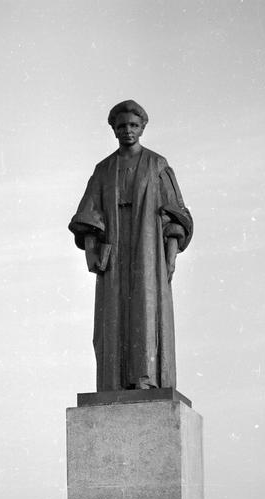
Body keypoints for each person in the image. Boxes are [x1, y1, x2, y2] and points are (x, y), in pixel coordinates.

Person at [69, 100, 193, 392]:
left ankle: (145, 377)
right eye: (122, 126)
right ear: (113, 129)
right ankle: (112, 382)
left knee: (145, 308)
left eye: (133, 126)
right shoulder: (103, 169)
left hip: (147, 246)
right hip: (114, 246)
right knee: (112, 314)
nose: (128, 131)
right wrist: (92, 249)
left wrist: (170, 257)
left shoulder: (156, 165)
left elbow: (175, 215)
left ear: (143, 128)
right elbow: (88, 215)